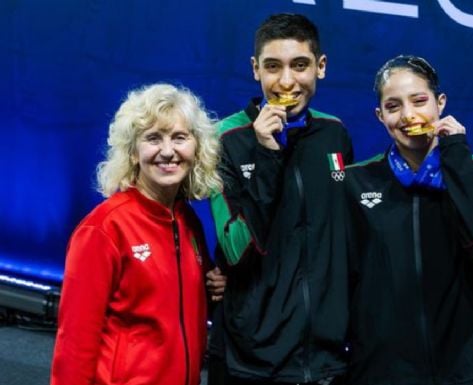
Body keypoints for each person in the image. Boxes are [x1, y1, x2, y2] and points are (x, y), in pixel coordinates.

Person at [342, 55, 473, 385]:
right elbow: (340, 274)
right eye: (393, 106)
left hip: (463, 369)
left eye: (419, 101)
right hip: (380, 371)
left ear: (440, 102)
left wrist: (456, 161)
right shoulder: (356, 181)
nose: (408, 116)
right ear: (380, 115)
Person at [207, 13, 354, 385]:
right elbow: (237, 250)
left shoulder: (335, 134)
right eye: (273, 67)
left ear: (320, 67)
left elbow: (345, 235)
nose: (286, 81)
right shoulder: (224, 139)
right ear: (255, 69)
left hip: (325, 358)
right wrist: (266, 155)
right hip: (250, 359)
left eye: (300, 65)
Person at [50, 84, 221, 385]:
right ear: (132, 153)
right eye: (153, 138)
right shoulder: (103, 229)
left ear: (195, 149)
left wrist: (217, 285)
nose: (168, 151)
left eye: (179, 138)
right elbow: (74, 344)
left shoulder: (187, 220)